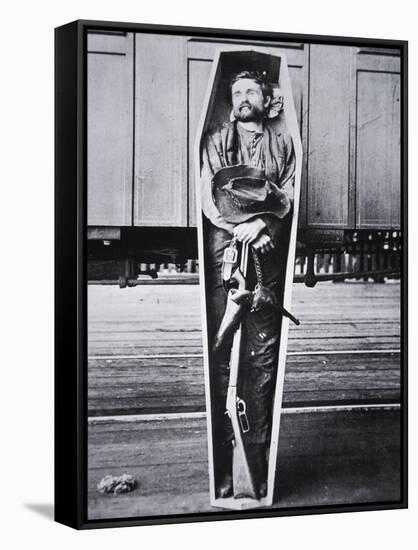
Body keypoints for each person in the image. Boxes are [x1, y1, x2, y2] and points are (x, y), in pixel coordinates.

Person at [200, 70, 296, 499]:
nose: (242, 98)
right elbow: (210, 194)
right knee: (221, 353)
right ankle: (224, 469)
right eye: (236, 92)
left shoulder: (282, 143)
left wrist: (261, 221)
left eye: (250, 92)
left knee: (262, 354)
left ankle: (255, 463)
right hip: (228, 255)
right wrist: (240, 226)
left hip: (268, 255)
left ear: (267, 98)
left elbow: (287, 191)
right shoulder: (218, 139)